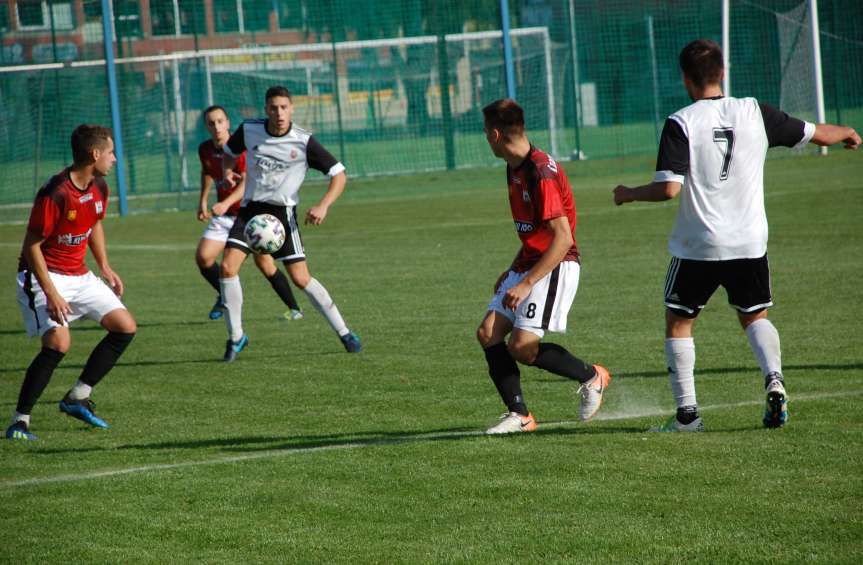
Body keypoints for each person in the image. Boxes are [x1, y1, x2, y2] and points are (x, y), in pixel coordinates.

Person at [612, 39, 860, 432]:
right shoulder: (754, 111)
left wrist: (628, 194)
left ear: (685, 79)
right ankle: (774, 379)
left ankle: (688, 417)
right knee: (755, 315)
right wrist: (846, 131)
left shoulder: (681, 121)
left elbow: (669, 189)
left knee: (679, 322)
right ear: (722, 72)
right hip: (749, 242)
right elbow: (815, 133)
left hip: (700, 245)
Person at [478, 99, 612, 435]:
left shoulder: (540, 172)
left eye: (485, 132)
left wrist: (525, 284)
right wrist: (512, 270)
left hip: (557, 264)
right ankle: (520, 415)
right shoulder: (514, 165)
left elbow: (562, 238)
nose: (484, 139)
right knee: (488, 334)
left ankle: (591, 376)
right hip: (529, 262)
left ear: (495, 134)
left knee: (521, 347)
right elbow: (533, 232)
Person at [6, 124, 137, 441]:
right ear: (95, 154)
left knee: (125, 327)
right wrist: (50, 292)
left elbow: (94, 224)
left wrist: (104, 265)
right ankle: (19, 421)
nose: (114, 159)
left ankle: (77, 396)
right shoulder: (56, 192)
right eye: (111, 152)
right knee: (58, 343)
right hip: (42, 275)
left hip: (79, 275)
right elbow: (31, 245)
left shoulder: (99, 187)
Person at [219, 85, 362, 362]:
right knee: (227, 267)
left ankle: (344, 332)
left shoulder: (303, 141)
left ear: (292, 108)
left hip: (283, 216)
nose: (279, 113)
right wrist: (227, 171)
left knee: (301, 278)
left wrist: (323, 205)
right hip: (250, 212)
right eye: (274, 108)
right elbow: (228, 151)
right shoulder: (250, 130)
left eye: (284, 107)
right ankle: (236, 337)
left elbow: (339, 174)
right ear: (266, 109)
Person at [195, 105, 303, 322]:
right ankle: (224, 296)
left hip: (248, 216)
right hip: (224, 217)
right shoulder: (205, 149)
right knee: (204, 258)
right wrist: (203, 201)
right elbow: (207, 172)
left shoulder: (241, 148)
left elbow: (247, 182)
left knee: (265, 264)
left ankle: (294, 308)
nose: (216, 127)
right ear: (206, 127)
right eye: (211, 123)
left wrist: (225, 203)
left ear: (227, 123)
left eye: (220, 121)